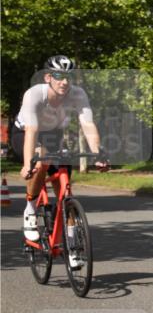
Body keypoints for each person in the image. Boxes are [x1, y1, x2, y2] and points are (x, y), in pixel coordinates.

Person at [12, 56, 108, 246]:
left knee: (65, 192)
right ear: (48, 77)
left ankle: (72, 243)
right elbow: (31, 131)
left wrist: (98, 153)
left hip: (53, 135)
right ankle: (30, 210)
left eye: (68, 77)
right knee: (41, 161)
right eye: (59, 76)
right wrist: (27, 163)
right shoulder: (34, 95)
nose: (64, 82)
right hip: (25, 132)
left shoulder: (78, 94)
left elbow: (87, 124)